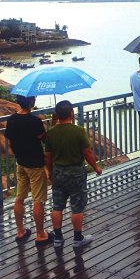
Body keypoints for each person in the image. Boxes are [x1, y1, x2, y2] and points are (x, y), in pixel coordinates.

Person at [45, 100, 102, 248]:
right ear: (71, 113)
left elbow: (48, 156)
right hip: (75, 173)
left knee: (57, 206)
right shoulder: (78, 131)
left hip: (58, 172)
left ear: (57, 115)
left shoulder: (51, 133)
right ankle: (78, 239)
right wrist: (96, 167)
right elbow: (87, 152)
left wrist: (50, 172)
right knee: (77, 206)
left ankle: (58, 238)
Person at [5, 95, 54, 246]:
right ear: (31, 102)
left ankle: (21, 231)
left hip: (21, 163)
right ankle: (41, 235)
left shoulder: (12, 120)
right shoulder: (35, 121)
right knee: (38, 200)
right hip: (35, 165)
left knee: (20, 197)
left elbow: (11, 142)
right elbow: (44, 140)